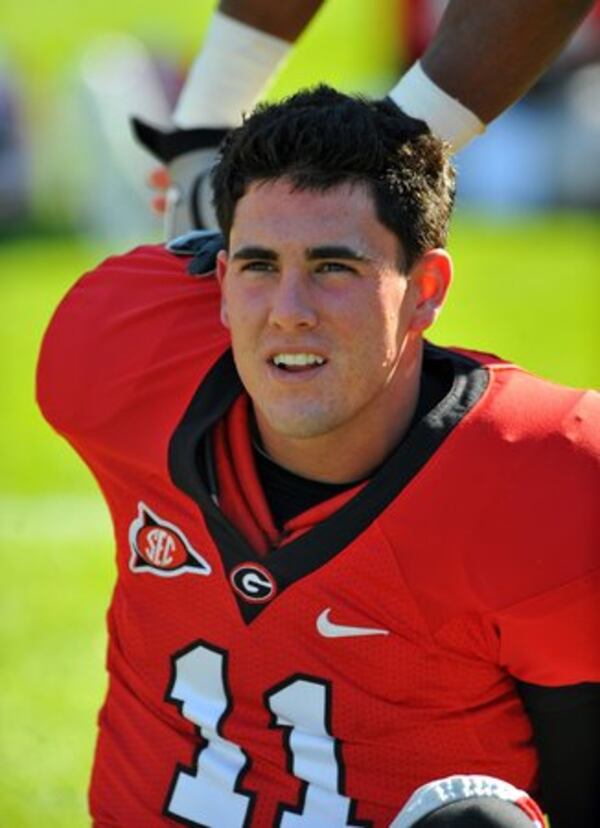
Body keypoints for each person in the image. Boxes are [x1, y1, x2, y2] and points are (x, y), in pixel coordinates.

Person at [37, 87, 599, 827]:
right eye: (259, 265)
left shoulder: (546, 475)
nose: (289, 309)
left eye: (334, 267)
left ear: (425, 290)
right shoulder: (117, 357)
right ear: (220, 282)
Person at [132, 0, 595, 236]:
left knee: (540, 163)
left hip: (569, 106)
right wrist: (201, 132)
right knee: (299, 143)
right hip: (436, 103)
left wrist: (387, 160)